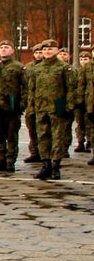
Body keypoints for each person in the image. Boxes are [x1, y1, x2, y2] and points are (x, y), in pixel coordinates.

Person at [28, 39, 73, 181]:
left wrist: (69, 106)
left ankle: (55, 166)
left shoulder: (64, 68)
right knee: (42, 136)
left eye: (50, 49)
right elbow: (32, 89)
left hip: (57, 106)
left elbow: (71, 88)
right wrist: (31, 107)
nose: (47, 52)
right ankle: (45, 164)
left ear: (56, 51)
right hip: (41, 107)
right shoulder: (37, 69)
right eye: (45, 50)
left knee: (57, 137)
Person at [0, 40, 25, 173]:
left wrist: (21, 104)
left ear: (12, 51)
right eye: (1, 47)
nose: (3, 49)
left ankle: (10, 161)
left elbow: (26, 87)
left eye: (7, 47)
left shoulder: (18, 67)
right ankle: (1, 159)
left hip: (12, 106)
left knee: (12, 135)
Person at [24, 44, 44, 163]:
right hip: (30, 103)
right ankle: (34, 152)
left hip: (43, 103)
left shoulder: (45, 67)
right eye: (36, 53)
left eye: (40, 52)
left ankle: (44, 154)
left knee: (43, 130)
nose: (38, 55)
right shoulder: (28, 67)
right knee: (31, 129)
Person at [76, 49, 91, 153]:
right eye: (81, 59)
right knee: (79, 123)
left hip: (89, 101)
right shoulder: (76, 71)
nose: (83, 61)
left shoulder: (91, 71)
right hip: (79, 101)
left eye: (85, 59)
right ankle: (80, 142)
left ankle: (90, 142)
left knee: (89, 123)